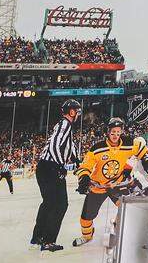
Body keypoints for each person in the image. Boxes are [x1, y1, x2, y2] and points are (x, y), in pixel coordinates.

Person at [72, 118, 138, 247]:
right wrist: (84, 178)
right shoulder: (97, 148)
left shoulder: (128, 145)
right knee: (86, 217)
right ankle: (87, 236)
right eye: (113, 132)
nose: (116, 135)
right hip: (98, 186)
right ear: (108, 132)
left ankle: (118, 228)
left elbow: (136, 155)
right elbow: (85, 166)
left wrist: (129, 169)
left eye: (118, 132)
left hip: (117, 185)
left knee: (126, 208)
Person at [31, 99, 81, 252]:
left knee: (48, 203)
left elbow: (69, 147)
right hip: (51, 167)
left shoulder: (63, 126)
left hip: (45, 167)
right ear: (71, 112)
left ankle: (37, 238)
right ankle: (48, 241)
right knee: (60, 204)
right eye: (77, 111)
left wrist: (78, 161)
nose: (78, 114)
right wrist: (60, 165)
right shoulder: (65, 124)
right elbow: (54, 146)